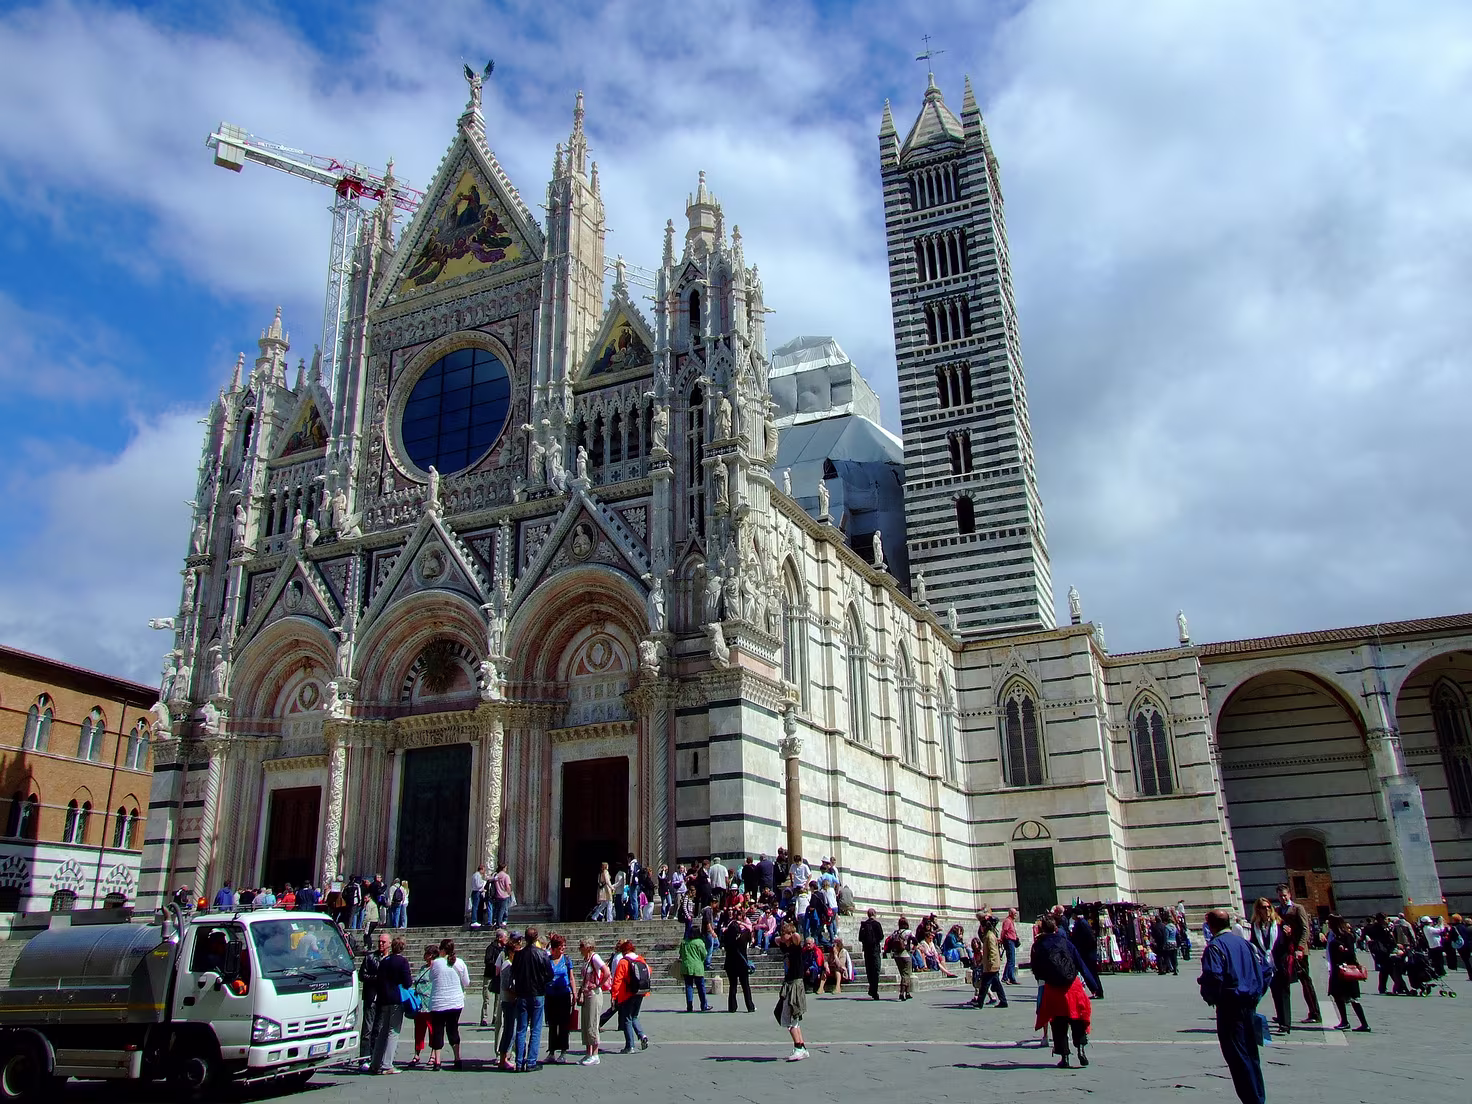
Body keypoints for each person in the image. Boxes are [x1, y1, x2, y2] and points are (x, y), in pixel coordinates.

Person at [1198, 909, 1266, 1104]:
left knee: (1237, 1057)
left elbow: (1214, 976)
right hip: (1250, 1005)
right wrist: (1256, 992)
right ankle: (1259, 1097)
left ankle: (1252, 1100)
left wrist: (1210, 996)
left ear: (1210, 925)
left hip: (1230, 1006)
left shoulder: (1215, 947)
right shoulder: (1246, 944)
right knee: (1252, 1054)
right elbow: (1266, 970)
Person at [1030, 915, 1098, 1069]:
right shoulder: (1066, 942)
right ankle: (1081, 1050)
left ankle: (1064, 1057)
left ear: (1041, 929)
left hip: (1053, 989)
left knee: (1058, 1023)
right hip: (1072, 987)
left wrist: (1045, 978)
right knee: (1077, 1018)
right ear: (1056, 928)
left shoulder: (1038, 946)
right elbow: (1080, 964)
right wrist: (1093, 985)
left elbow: (1036, 970)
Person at [1275, 884, 1321, 1022]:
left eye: (1285, 895)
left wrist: (1300, 948)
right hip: (1285, 950)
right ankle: (1283, 1015)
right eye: (1280, 896)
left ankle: (1315, 1013)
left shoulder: (1298, 908)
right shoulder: (1277, 910)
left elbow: (1306, 929)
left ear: (1289, 895)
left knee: (1305, 981)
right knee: (1283, 982)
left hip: (1298, 951)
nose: (1283, 898)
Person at [367, 936, 412, 1074]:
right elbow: (407, 982)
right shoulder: (402, 961)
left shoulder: (385, 961)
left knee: (383, 1031)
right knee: (393, 1031)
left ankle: (375, 1063)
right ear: (402, 948)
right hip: (396, 999)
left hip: (383, 999)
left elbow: (379, 980)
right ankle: (387, 1064)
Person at [512, 926, 552, 1072]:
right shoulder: (542, 954)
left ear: (525, 938)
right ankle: (531, 1062)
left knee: (521, 1028)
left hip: (522, 994)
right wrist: (541, 981)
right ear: (536, 938)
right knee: (535, 1029)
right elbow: (550, 974)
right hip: (537, 993)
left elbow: (514, 972)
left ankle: (518, 1062)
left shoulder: (518, 955)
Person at [427, 938, 469, 1070]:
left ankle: (437, 1061)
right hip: (455, 1002)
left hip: (438, 1002)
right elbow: (467, 982)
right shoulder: (459, 963)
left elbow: (431, 978)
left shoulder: (436, 963)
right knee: (453, 1029)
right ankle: (457, 1058)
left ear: (442, 950)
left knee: (437, 1030)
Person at [1327, 917, 1370, 1032]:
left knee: (1351, 997)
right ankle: (1345, 1021)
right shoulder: (1333, 935)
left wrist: (1342, 949)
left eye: (1330, 922)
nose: (1328, 924)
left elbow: (1351, 953)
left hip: (1344, 970)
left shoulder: (1346, 936)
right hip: (1336, 969)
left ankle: (1362, 1023)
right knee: (1338, 996)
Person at [610, 938, 651, 1053]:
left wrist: (614, 996)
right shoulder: (640, 959)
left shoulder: (623, 962)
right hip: (640, 991)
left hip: (627, 993)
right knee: (635, 1016)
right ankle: (642, 1035)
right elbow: (649, 971)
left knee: (627, 1018)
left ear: (623, 951)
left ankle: (630, 1046)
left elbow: (617, 980)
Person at [776, 922, 809, 1061]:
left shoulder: (796, 947)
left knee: (790, 1017)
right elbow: (776, 940)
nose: (782, 936)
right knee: (792, 1017)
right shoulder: (786, 947)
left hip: (795, 983)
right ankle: (802, 1047)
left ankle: (798, 1048)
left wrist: (790, 932)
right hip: (789, 983)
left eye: (784, 933)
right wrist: (784, 937)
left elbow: (797, 937)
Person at [1269, 911, 1304, 1034]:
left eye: (1268, 908)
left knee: (1283, 993)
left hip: (1282, 963)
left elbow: (1289, 942)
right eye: (1263, 908)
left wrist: (1290, 936)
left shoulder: (1280, 925)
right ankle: (1281, 1019)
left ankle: (1285, 1024)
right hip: (1268, 964)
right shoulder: (1258, 926)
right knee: (1275, 993)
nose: (1266, 911)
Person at [577, 937, 610, 1065]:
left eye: (582, 946)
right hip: (586, 994)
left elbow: (606, 972)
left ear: (589, 947)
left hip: (594, 995)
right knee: (585, 1024)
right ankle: (588, 1053)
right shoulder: (586, 959)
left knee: (592, 1023)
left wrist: (598, 985)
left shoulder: (595, 958)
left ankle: (595, 1054)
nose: (580, 948)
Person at [358, 930, 389, 1062]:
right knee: (367, 1030)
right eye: (379, 941)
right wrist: (377, 978)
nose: (381, 944)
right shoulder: (370, 957)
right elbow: (362, 975)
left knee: (379, 1029)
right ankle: (364, 1058)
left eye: (383, 942)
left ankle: (375, 1057)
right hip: (371, 997)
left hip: (384, 998)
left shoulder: (390, 959)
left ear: (389, 944)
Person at [544, 933, 576, 1063]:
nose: (563, 948)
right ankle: (551, 1051)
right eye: (561, 946)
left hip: (564, 995)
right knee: (552, 1024)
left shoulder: (567, 960)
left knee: (564, 1024)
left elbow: (571, 978)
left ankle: (563, 1051)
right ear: (554, 948)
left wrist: (574, 993)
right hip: (550, 995)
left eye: (564, 945)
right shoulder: (548, 960)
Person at [407, 944, 438, 1068]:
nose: (424, 956)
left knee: (432, 1030)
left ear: (431, 955)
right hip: (419, 1004)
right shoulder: (423, 968)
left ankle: (433, 1054)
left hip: (430, 1004)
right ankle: (417, 1054)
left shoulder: (436, 968)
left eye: (426, 953)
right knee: (419, 1030)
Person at [722, 914, 756, 1012]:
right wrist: (741, 923)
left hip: (730, 964)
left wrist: (728, 927)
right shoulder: (743, 938)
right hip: (742, 965)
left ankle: (732, 1007)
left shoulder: (727, 938)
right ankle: (750, 1006)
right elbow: (749, 928)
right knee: (745, 986)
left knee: (733, 986)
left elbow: (725, 931)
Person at [975, 914, 1008, 1008]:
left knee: (984, 984)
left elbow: (992, 951)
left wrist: (990, 963)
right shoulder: (990, 935)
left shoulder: (989, 936)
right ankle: (1003, 1001)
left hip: (991, 965)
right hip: (992, 964)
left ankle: (979, 1002)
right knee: (996, 984)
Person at [680, 924, 711, 1011]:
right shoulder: (699, 942)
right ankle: (704, 1005)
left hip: (687, 967)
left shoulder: (684, 942)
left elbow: (681, 953)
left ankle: (689, 1006)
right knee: (701, 987)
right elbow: (704, 954)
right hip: (697, 967)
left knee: (689, 986)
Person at [859, 908, 885, 1000]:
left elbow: (860, 938)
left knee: (869, 970)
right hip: (875, 950)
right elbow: (881, 936)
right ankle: (874, 990)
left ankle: (872, 987)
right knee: (876, 970)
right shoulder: (877, 924)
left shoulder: (864, 924)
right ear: (875, 914)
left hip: (867, 950)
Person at [888, 917, 915, 1001]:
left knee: (903, 974)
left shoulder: (895, 933)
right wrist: (913, 949)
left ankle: (907, 993)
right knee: (906, 974)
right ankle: (901, 993)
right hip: (905, 955)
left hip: (897, 956)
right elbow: (915, 941)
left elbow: (889, 942)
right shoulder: (908, 932)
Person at [1000, 908, 1021, 984]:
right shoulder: (1007, 921)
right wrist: (1002, 940)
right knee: (1011, 960)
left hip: (1012, 941)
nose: (1016, 915)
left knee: (1011, 960)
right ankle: (1010, 978)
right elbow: (1004, 931)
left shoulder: (1011, 921)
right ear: (1011, 913)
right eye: (1014, 913)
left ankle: (1005, 977)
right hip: (1009, 941)